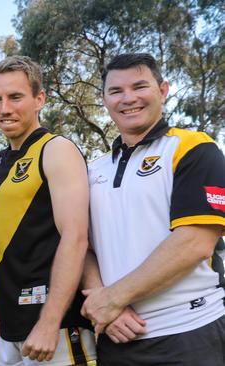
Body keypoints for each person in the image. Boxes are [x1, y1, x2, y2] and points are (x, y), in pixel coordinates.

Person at [81, 53, 225, 365]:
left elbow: (196, 242)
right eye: (116, 91)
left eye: (139, 86)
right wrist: (98, 297)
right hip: (116, 335)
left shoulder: (194, 148)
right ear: (104, 100)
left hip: (189, 333)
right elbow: (82, 246)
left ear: (163, 90)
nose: (128, 98)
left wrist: (113, 298)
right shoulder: (93, 170)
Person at [0, 56, 96, 365]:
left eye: (15, 97)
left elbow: (75, 237)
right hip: (10, 325)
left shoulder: (56, 149)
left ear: (39, 99)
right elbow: (0, 239)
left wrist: (49, 322)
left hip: (55, 326)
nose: (4, 108)